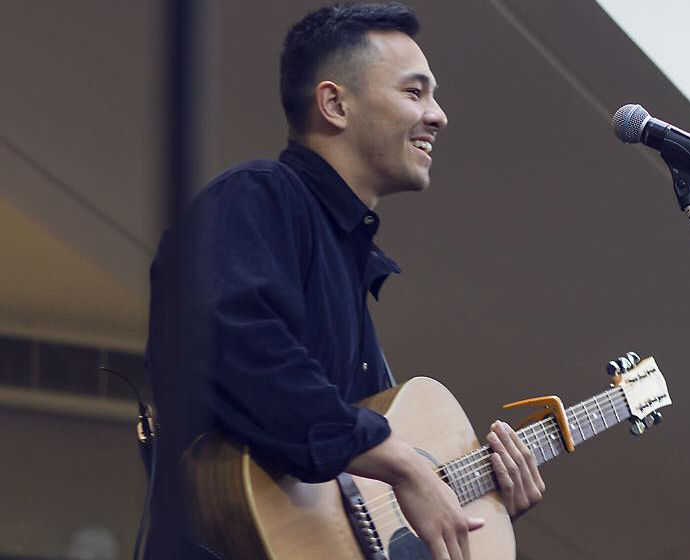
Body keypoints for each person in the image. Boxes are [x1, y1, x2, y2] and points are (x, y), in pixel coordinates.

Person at [146, 3, 544, 559]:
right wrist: (400, 461)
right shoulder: (257, 194)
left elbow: (358, 519)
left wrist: (483, 510)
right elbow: (235, 340)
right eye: (415, 92)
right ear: (335, 104)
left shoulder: (348, 266)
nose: (438, 116)